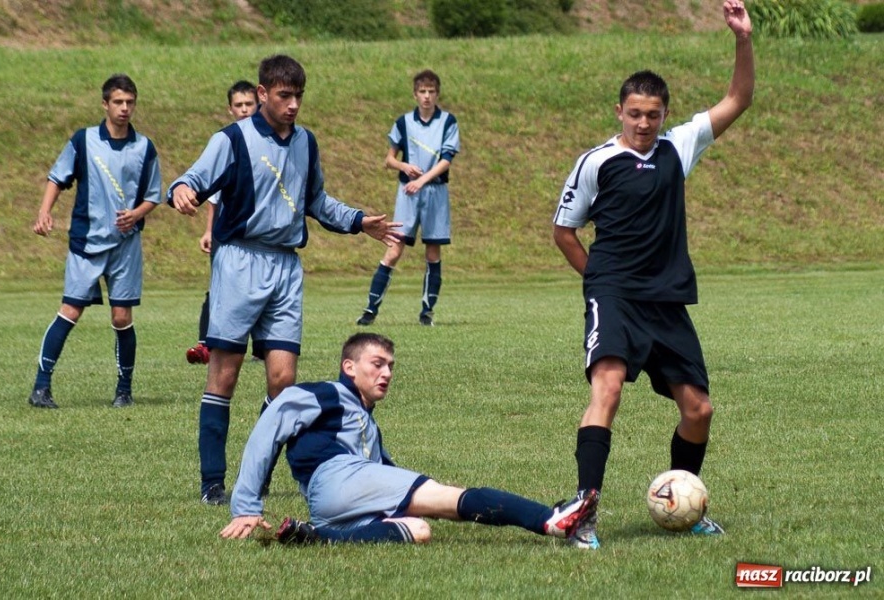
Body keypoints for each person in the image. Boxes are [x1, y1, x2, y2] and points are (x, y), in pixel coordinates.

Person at [551, 0, 754, 550]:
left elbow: (739, 99)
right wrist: (600, 282)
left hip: (667, 300)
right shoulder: (596, 162)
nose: (644, 123)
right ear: (619, 110)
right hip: (615, 294)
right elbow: (564, 232)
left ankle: (681, 500)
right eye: (635, 113)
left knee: (699, 409)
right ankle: (583, 514)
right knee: (608, 388)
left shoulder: (678, 146)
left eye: (654, 114)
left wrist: (741, 38)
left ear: (665, 114)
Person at [168, 55, 401, 506]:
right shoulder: (231, 139)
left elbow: (316, 200)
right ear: (262, 94)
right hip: (239, 261)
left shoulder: (306, 143)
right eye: (284, 96)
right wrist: (181, 189)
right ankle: (212, 483)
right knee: (225, 375)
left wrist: (357, 221)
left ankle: (258, 475)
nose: (293, 105)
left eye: (298, 96)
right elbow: (193, 177)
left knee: (283, 382)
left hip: (285, 267)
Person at [220, 333, 598, 544]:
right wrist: (247, 505)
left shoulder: (367, 424)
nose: (386, 373)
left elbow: (384, 471)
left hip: (330, 506)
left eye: (390, 367)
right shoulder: (325, 393)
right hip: (334, 478)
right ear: (349, 367)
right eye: (377, 364)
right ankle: (550, 520)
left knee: (418, 530)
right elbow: (268, 428)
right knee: (445, 496)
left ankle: (318, 538)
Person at [28, 73, 162, 409]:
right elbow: (57, 178)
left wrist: (137, 213)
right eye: (118, 102)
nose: (124, 108)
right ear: (105, 104)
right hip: (86, 243)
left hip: (126, 246)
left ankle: (124, 391)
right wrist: (44, 212)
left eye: (130, 102)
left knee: (121, 317)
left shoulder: (144, 147)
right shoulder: (84, 140)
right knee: (70, 310)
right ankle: (41, 388)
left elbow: (154, 195)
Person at [356, 69, 460, 327]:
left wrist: (422, 180)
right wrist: (404, 167)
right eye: (422, 92)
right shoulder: (403, 122)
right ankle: (370, 310)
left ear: (437, 94)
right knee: (393, 250)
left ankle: (427, 312)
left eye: (431, 92)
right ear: (415, 94)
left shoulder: (448, 122)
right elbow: (389, 160)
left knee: (433, 252)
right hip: (408, 195)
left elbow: (446, 160)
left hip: (435, 192)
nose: (426, 97)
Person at [186, 80, 259, 365]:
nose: (243, 110)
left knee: (255, 287)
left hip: (258, 232)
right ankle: (205, 343)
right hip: (226, 231)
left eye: (248, 104)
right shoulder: (227, 142)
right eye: (238, 105)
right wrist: (208, 230)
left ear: (259, 105)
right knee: (219, 284)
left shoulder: (267, 143)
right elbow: (215, 193)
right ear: (230, 109)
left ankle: (261, 346)